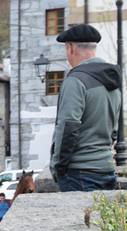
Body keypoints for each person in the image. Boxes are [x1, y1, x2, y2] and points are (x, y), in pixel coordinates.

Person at [50, 24, 122, 192]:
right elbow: (114, 130)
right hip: (106, 168)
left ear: (71, 48)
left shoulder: (75, 80)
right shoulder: (112, 79)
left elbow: (68, 127)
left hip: (79, 173)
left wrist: (58, 166)